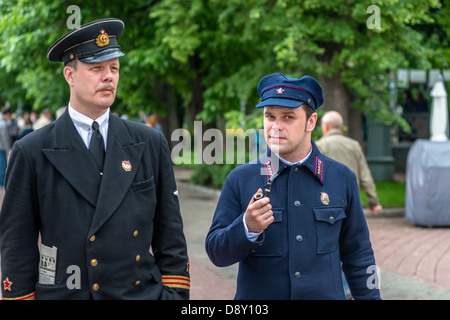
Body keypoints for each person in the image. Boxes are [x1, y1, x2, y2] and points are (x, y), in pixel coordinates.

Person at [0, 18, 189, 300]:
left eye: (114, 68)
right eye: (96, 68)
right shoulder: (32, 151)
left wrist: (174, 294)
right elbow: (17, 243)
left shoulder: (149, 142)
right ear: (69, 75)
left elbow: (171, 234)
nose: (109, 76)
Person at [205, 73, 381, 300]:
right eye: (270, 117)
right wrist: (247, 228)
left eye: (288, 117)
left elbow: (360, 256)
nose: (275, 126)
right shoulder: (241, 179)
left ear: (311, 122)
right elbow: (217, 254)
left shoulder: (341, 177)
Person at [316, 111, 383, 215]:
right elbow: (365, 177)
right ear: (341, 126)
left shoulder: (319, 146)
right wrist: (374, 202)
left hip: (327, 200)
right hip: (352, 199)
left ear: (326, 126)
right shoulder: (354, 145)